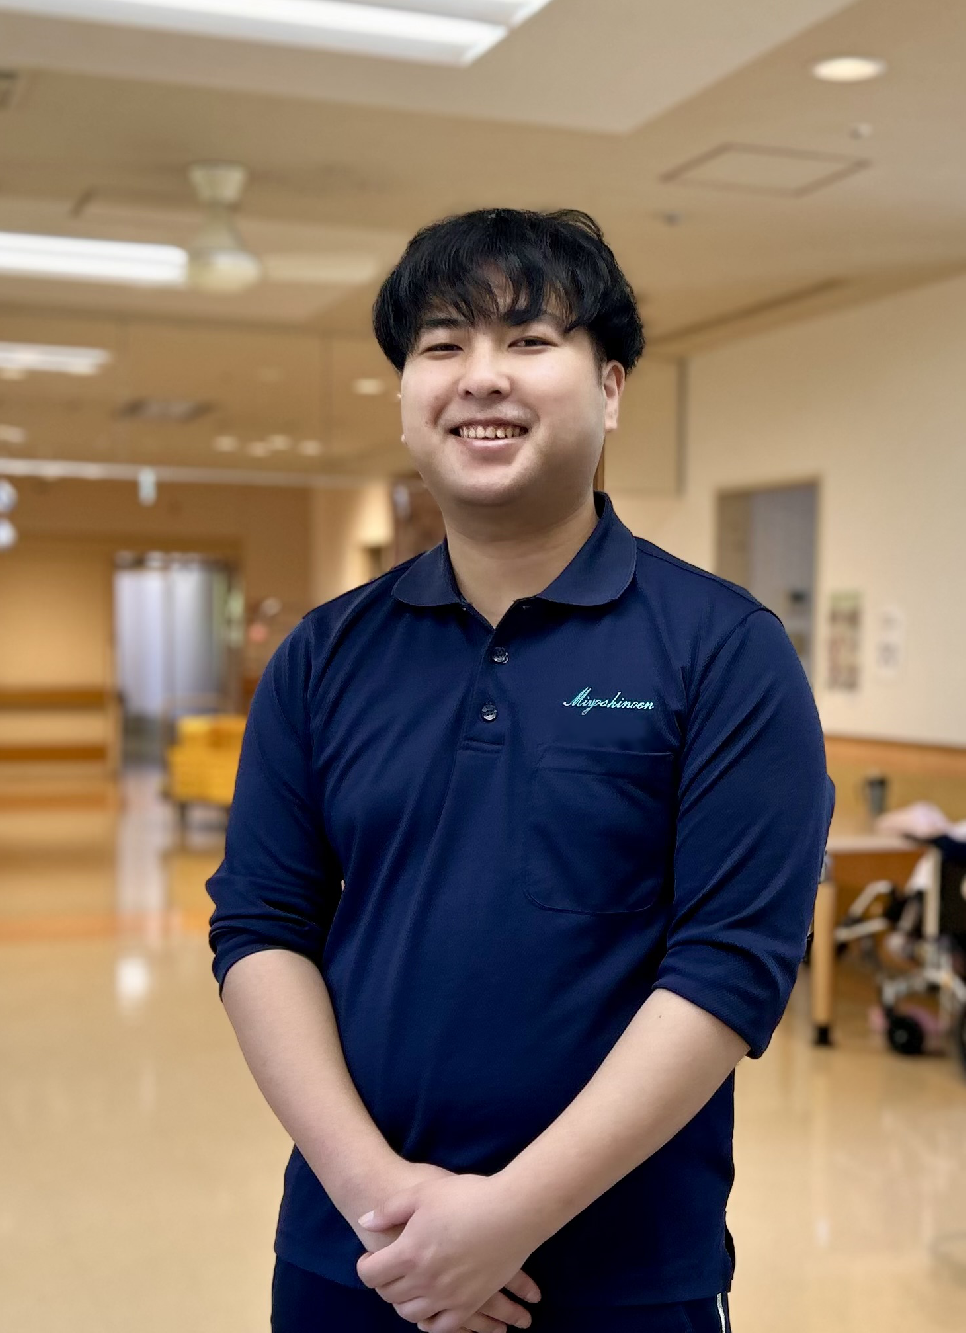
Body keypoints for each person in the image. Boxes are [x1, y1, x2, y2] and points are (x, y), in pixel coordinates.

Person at [207, 208, 834, 1333]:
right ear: (406, 395)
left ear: (610, 388)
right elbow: (260, 927)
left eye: (530, 340)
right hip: (357, 1259)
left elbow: (731, 965)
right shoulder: (324, 655)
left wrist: (506, 1218)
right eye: (442, 345)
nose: (480, 377)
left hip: (622, 1275)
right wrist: (383, 1203)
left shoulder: (723, 649)